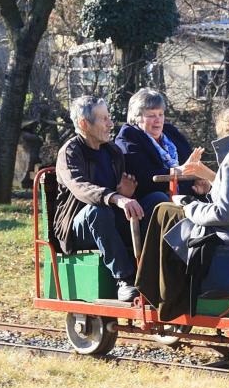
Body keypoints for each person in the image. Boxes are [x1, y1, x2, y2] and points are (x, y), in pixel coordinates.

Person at [135, 104, 229, 320]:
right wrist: (209, 180)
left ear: (226, 127)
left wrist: (189, 205)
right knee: (169, 210)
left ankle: (163, 296)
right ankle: (163, 294)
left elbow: (224, 214)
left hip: (227, 240)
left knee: (163, 211)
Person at [54, 96, 168, 302]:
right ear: (84, 124)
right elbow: (81, 188)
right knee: (98, 212)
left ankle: (155, 271)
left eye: (109, 117)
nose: (110, 123)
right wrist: (116, 198)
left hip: (111, 220)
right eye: (104, 119)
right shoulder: (70, 152)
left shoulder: (112, 151)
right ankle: (124, 279)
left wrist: (126, 194)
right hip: (78, 227)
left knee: (157, 200)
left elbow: (122, 190)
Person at [115, 88, 209, 199]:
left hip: (182, 196)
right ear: (136, 118)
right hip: (150, 201)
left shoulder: (171, 133)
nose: (158, 120)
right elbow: (145, 179)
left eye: (161, 114)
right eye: (151, 115)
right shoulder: (128, 137)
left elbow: (189, 167)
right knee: (160, 198)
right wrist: (180, 171)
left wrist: (198, 184)